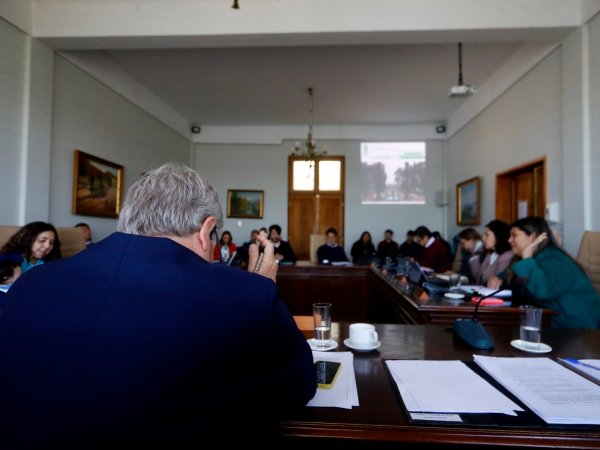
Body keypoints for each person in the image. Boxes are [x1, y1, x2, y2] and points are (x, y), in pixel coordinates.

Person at [0, 163, 316, 448]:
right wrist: (262, 287)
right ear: (206, 231)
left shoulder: (30, 284)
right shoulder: (246, 293)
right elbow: (296, 388)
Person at [488, 216, 600, 329]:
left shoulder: (555, 259)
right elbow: (512, 278)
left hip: (575, 327)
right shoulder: (528, 258)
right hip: (547, 323)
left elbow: (543, 291)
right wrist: (496, 278)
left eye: (514, 235)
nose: (509, 240)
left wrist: (527, 258)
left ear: (532, 237)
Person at [470, 220, 512, 285]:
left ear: (498, 235)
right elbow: (477, 277)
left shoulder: (506, 256)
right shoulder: (490, 254)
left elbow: (496, 282)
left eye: (487, 235)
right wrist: (475, 254)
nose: (483, 239)